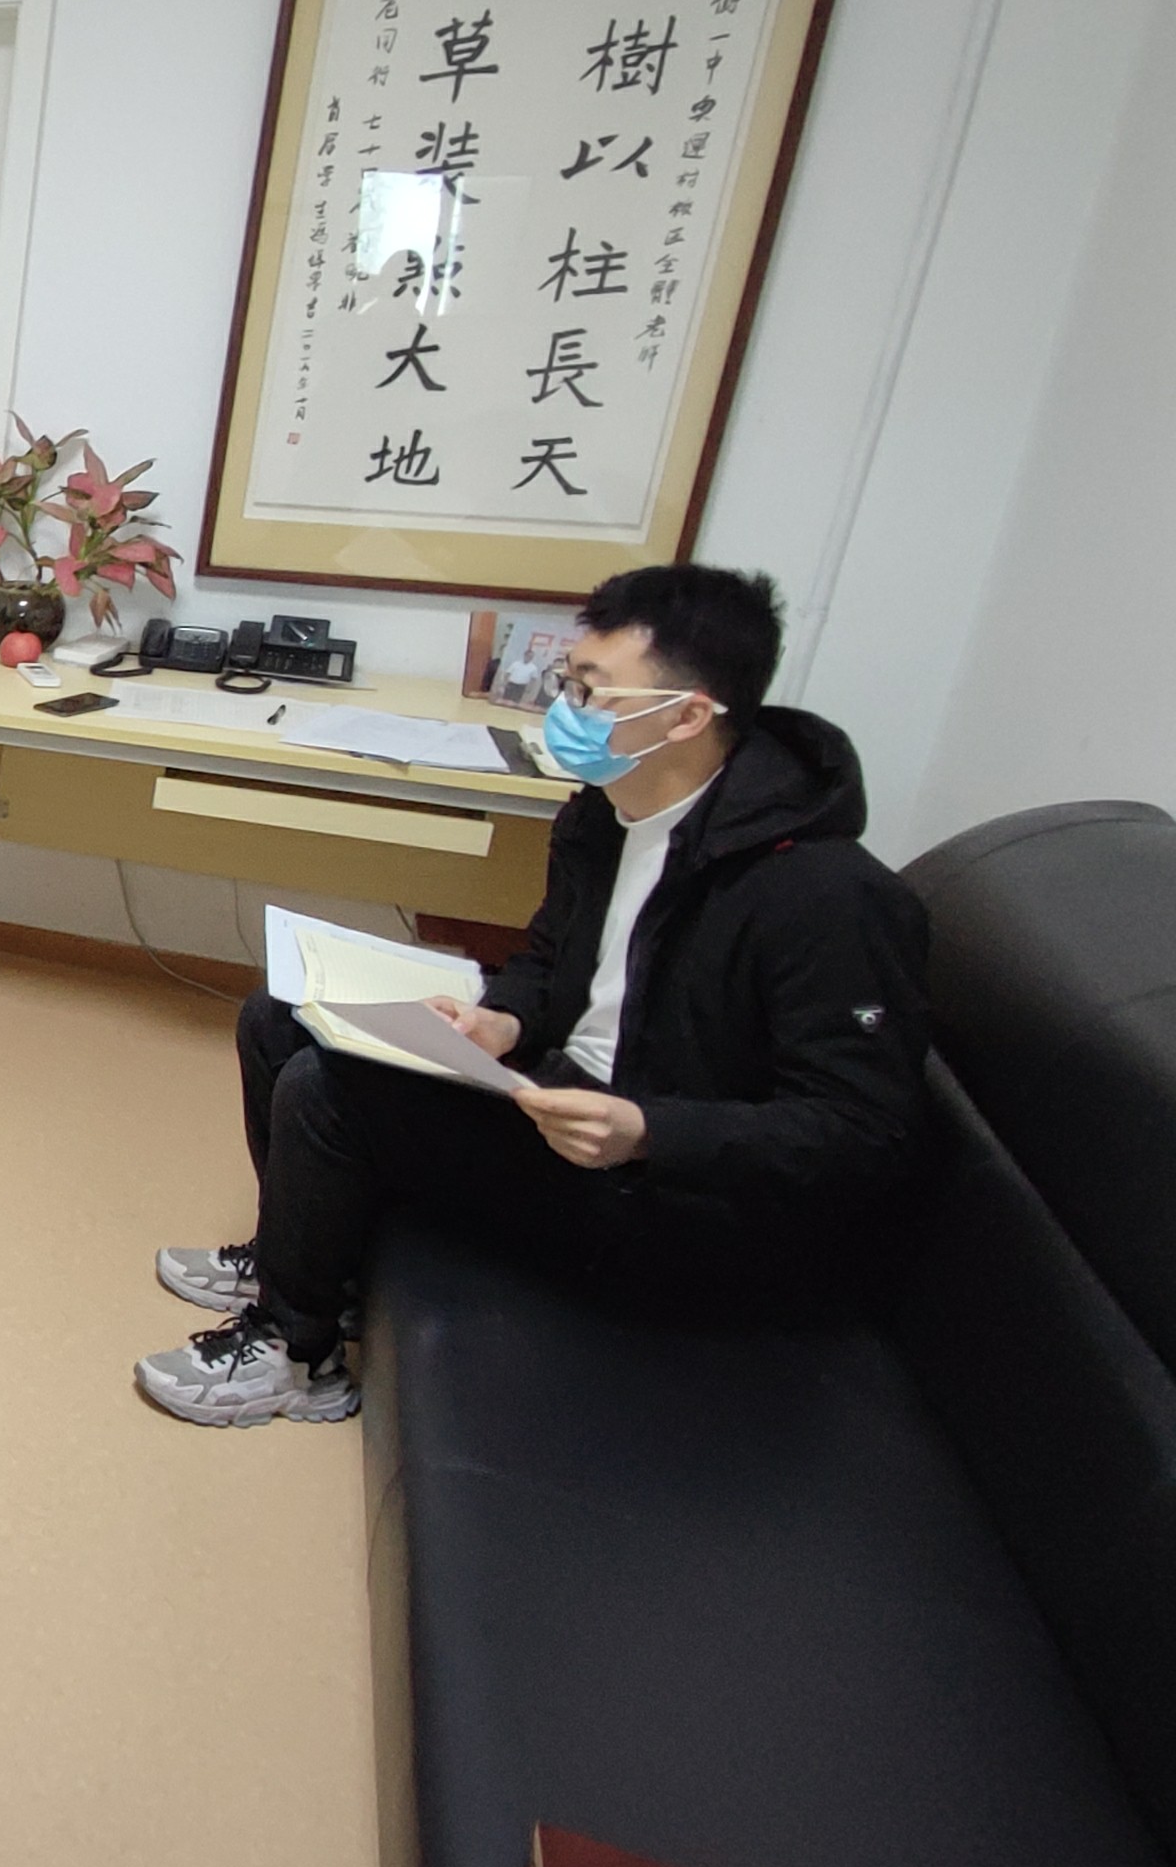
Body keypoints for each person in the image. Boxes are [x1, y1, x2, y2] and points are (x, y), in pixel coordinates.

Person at [134, 564, 930, 1425]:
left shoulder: (826, 896)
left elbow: (863, 1134)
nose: (566, 711)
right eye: (568, 682)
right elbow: (552, 957)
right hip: (558, 1096)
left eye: (592, 691)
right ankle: (301, 1259)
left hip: (666, 1188)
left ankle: (299, 1353)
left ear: (688, 716)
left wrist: (649, 1131)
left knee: (328, 1090)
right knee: (279, 1018)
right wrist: (503, 1018)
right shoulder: (606, 813)